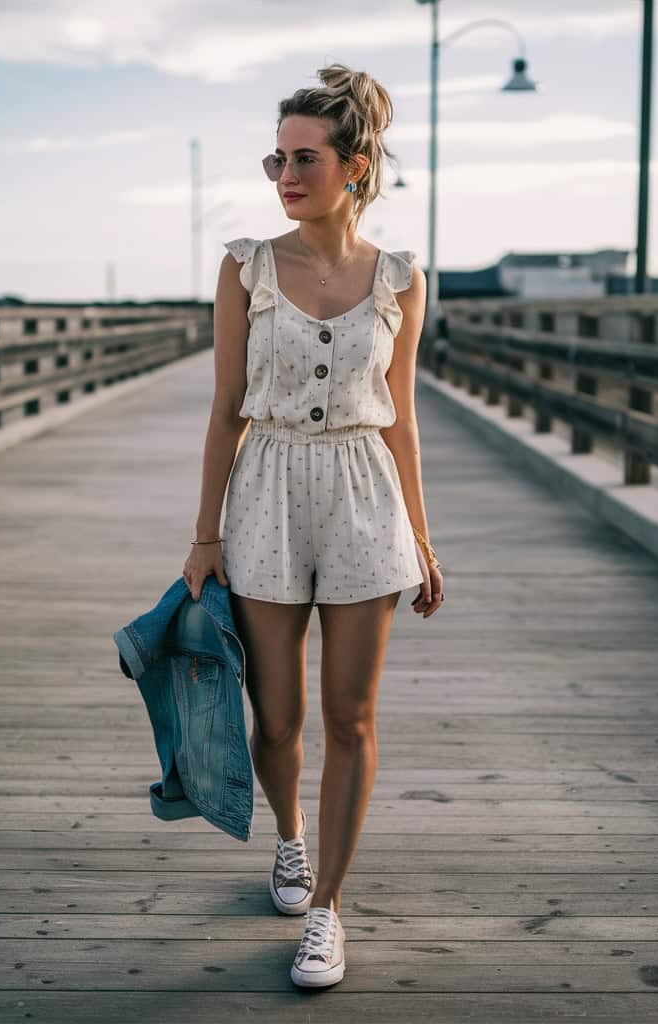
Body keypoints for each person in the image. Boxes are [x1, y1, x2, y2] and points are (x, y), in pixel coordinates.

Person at [182, 62, 444, 989]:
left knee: (352, 715)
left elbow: (402, 414)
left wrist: (421, 534)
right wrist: (204, 535)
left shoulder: (402, 279)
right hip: (267, 491)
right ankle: (289, 840)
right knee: (279, 715)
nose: (285, 176)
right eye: (276, 158)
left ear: (357, 166)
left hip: (366, 495)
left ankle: (328, 907)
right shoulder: (246, 267)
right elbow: (225, 411)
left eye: (304, 158)